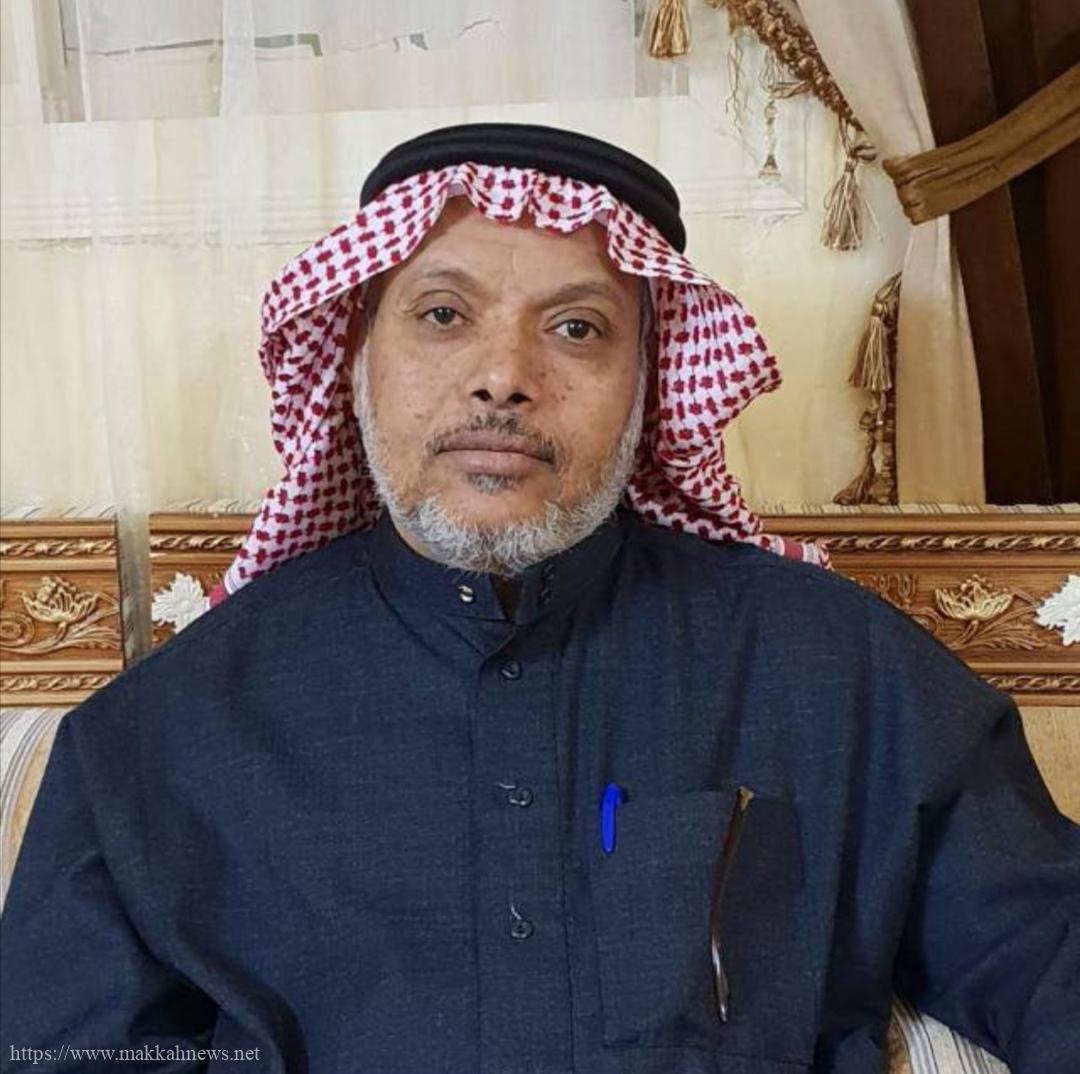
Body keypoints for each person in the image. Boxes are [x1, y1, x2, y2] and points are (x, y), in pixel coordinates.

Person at [1, 123, 1077, 1074]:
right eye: (441, 315)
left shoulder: (841, 673)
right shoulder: (162, 731)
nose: (503, 376)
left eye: (577, 329)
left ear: (650, 381)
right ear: (356, 360)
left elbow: (1050, 958)